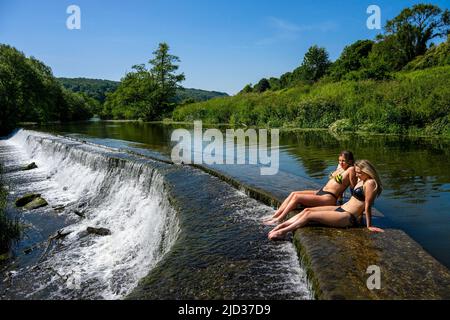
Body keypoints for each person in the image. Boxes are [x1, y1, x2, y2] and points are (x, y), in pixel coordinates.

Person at [268, 159, 384, 240]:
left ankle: (283, 232)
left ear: (367, 171)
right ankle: (280, 226)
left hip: (348, 216)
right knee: (307, 211)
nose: (356, 175)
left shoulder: (370, 183)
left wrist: (368, 226)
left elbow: (367, 206)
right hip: (341, 208)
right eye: (356, 172)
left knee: (309, 216)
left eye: (359, 173)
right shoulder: (362, 180)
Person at [263, 151, 357, 225]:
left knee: (297, 198)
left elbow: (353, 187)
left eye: (343, 161)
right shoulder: (340, 167)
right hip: (321, 191)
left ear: (350, 161)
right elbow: (337, 184)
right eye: (339, 160)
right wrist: (340, 199)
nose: (341, 162)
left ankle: (280, 219)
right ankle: (275, 215)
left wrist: (353, 205)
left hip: (328, 197)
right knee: (294, 193)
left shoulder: (351, 169)